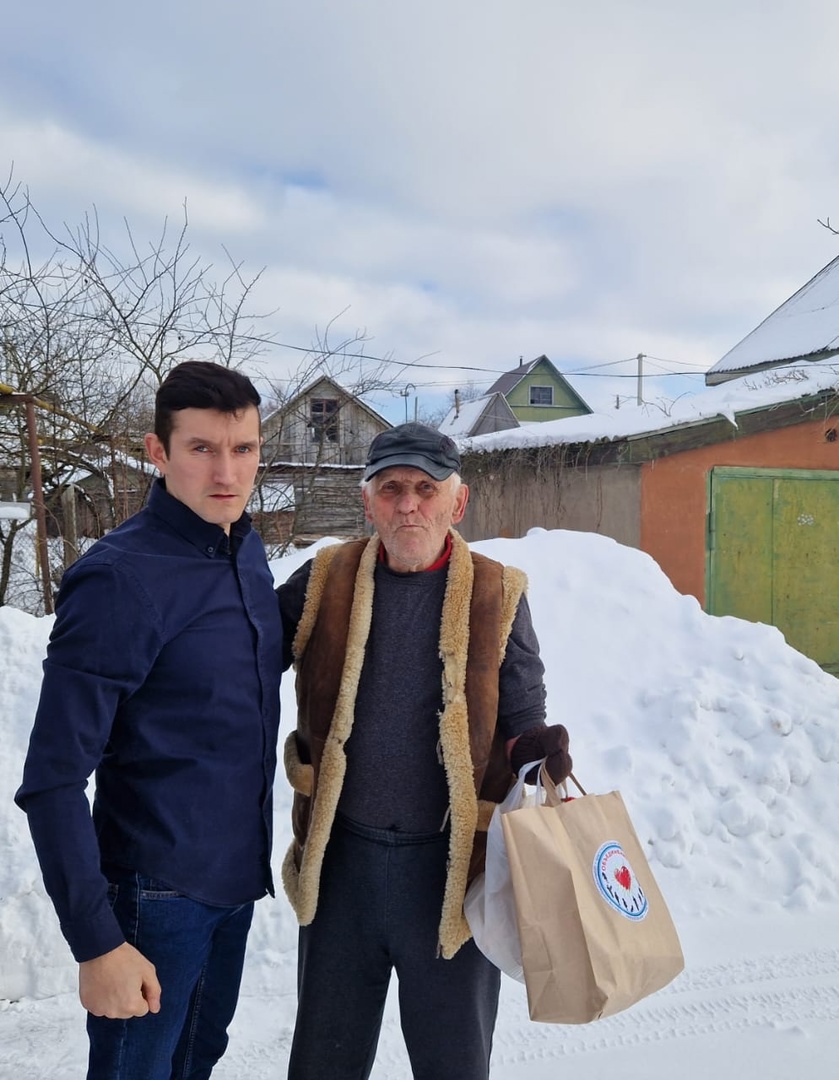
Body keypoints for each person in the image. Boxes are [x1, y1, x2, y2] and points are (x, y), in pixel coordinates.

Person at [277, 421, 572, 1080]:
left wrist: (539, 748)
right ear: (368, 501)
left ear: (455, 503)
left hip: (449, 878)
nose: (407, 504)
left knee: (453, 1063)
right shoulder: (327, 578)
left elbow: (522, 716)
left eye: (423, 488)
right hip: (341, 868)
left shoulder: (498, 592)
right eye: (390, 489)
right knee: (323, 1061)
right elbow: (239, 654)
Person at [15, 361, 282, 1080]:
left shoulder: (244, 551)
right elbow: (52, 780)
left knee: (198, 1061)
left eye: (243, 448)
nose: (226, 472)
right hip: (153, 897)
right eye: (201, 448)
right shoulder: (120, 579)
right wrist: (97, 943)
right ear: (157, 452)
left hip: (233, 885)